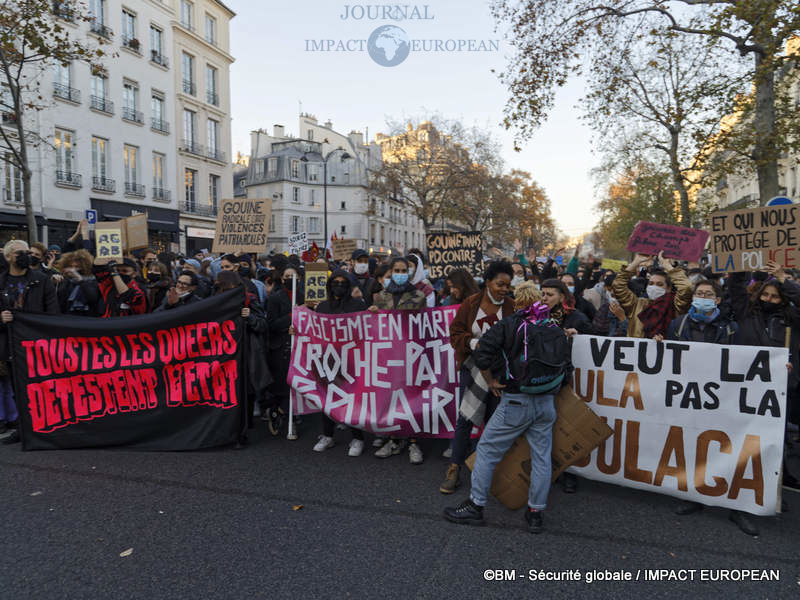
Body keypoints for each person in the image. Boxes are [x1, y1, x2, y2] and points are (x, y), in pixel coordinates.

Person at [443, 299, 571, 533]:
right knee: (542, 457)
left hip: (516, 400)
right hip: (546, 403)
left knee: (487, 450)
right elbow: (567, 369)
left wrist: (491, 380)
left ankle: (476, 505)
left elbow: (482, 351)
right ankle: (535, 513)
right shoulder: (554, 328)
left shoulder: (510, 323)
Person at [439, 261, 518, 494]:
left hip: (498, 373)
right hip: (472, 369)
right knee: (465, 420)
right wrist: (474, 344)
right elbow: (455, 333)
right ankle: (454, 468)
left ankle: (488, 470)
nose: (504, 289)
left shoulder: (512, 307)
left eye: (508, 285)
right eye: (499, 284)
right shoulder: (470, 304)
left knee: (494, 422)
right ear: (488, 282)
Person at [729, 261, 800, 500]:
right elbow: (736, 286)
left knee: (771, 440)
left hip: (779, 390)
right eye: (765, 295)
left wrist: (782, 279)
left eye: (775, 297)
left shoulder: (793, 321)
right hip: (747, 387)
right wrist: (740, 260)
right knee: (743, 437)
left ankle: (768, 490)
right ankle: (737, 485)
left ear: (783, 300)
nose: (768, 300)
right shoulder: (746, 314)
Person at [0, 240, 60, 444]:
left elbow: (53, 313)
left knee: (41, 387)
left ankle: (48, 425)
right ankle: (24, 428)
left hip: (37, 345)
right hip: (10, 345)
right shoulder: (0, 282)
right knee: (18, 388)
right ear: (8, 257)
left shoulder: (41, 280)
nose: (27, 256)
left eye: (28, 252)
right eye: (20, 253)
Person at [369, 257, 427, 463]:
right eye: (397, 270)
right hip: (390, 355)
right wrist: (374, 313)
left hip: (411, 354)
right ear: (391, 271)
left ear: (409, 273)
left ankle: (413, 442)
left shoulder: (419, 295)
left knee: (412, 398)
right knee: (391, 397)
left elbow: (422, 323)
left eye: (404, 270)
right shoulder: (382, 296)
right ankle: (393, 439)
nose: (401, 273)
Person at [310, 270, 368, 455]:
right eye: (335, 282)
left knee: (353, 399)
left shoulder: (358, 305)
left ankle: (357, 438)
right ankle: (327, 435)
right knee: (326, 397)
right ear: (330, 285)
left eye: (343, 283)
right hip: (328, 359)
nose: (339, 286)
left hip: (352, 359)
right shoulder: (323, 307)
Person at [214, 270, 270, 448]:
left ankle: (240, 434)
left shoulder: (249, 300)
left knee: (243, 394)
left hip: (244, 354)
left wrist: (251, 317)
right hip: (223, 354)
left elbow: (263, 325)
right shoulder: (215, 300)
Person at [612, 251, 693, 339]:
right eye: (651, 283)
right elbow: (618, 285)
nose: (654, 287)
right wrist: (636, 262)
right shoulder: (637, 304)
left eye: (659, 284)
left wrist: (667, 265)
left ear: (669, 288)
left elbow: (687, 287)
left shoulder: (676, 305)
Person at [55, 249, 102, 317]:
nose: (73, 270)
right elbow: (61, 300)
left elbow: (93, 298)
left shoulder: (93, 280)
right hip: (69, 317)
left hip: (87, 317)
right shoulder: (67, 281)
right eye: (71, 266)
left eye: (77, 267)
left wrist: (80, 279)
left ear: (84, 266)